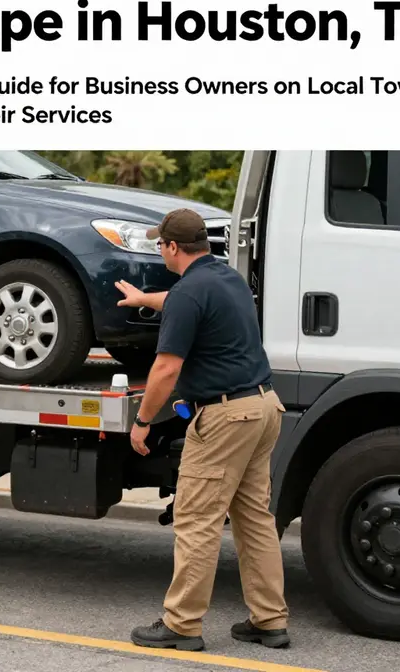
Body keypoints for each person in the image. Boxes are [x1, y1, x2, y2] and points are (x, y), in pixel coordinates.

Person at [114, 207, 290, 653]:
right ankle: (270, 621)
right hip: (264, 406)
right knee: (255, 520)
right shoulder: (227, 279)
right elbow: (181, 300)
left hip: (225, 418)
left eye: (160, 243)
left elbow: (166, 368)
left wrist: (142, 422)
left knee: (196, 521)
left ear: (173, 247)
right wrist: (144, 298)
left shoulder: (189, 293)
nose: (159, 249)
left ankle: (182, 625)